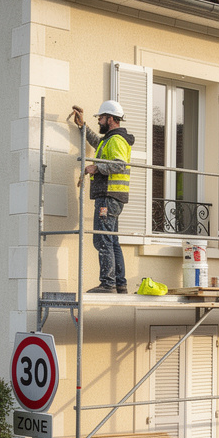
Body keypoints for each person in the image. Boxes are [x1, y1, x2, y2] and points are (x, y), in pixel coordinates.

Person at [72, 101, 133, 294]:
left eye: (101, 117)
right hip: (112, 196)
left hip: (108, 196)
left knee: (102, 240)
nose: (99, 120)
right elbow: (97, 142)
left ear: (111, 119)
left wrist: (96, 168)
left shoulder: (116, 140)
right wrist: (83, 126)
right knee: (111, 241)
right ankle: (119, 283)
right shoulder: (110, 139)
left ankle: (108, 284)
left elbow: (119, 165)